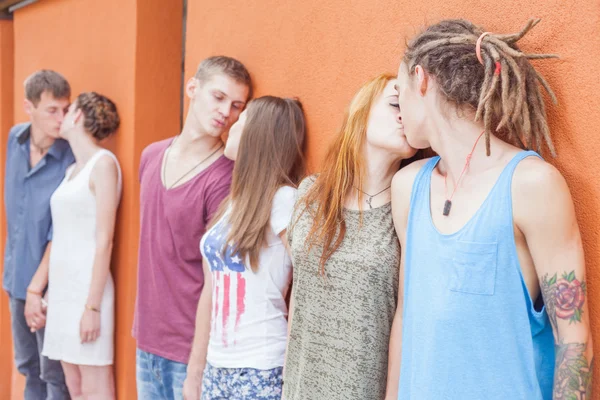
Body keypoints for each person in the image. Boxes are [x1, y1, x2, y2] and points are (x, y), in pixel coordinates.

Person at [387, 19, 593, 400]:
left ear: (421, 80)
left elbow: (574, 337)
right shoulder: (407, 187)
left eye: (399, 94)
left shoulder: (531, 184)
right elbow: (406, 317)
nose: (399, 111)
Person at [283, 74, 421, 400]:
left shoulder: (409, 208)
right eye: (394, 104)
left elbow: (409, 316)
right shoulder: (310, 194)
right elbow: (300, 296)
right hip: (301, 386)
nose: (406, 115)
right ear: (361, 110)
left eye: (412, 108)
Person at [133, 56, 253, 399]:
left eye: (236, 106)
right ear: (192, 88)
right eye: (218, 97)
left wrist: (197, 369)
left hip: (189, 349)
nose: (225, 113)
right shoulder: (151, 155)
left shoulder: (223, 178)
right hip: (146, 339)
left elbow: (216, 279)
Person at [182, 96, 306, 400]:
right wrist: (195, 370)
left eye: (242, 119)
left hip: (261, 369)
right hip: (217, 366)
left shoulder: (283, 200)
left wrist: (293, 369)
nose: (230, 126)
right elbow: (210, 290)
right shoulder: (232, 204)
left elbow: (309, 283)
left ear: (258, 135)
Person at [29, 92, 121, 399]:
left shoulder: (104, 164)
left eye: (67, 110)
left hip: (88, 293)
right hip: (63, 293)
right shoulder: (72, 171)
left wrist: (92, 307)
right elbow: (64, 236)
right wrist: (46, 291)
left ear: (78, 116)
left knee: (95, 388)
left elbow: (105, 239)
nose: (62, 117)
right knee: (75, 388)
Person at [4, 70, 72, 399]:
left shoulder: (69, 157)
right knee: (28, 366)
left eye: (65, 109)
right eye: (52, 110)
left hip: (50, 287)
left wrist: (37, 289)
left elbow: (60, 232)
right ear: (28, 108)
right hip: (15, 278)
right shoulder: (15, 139)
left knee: (54, 375)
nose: (61, 118)